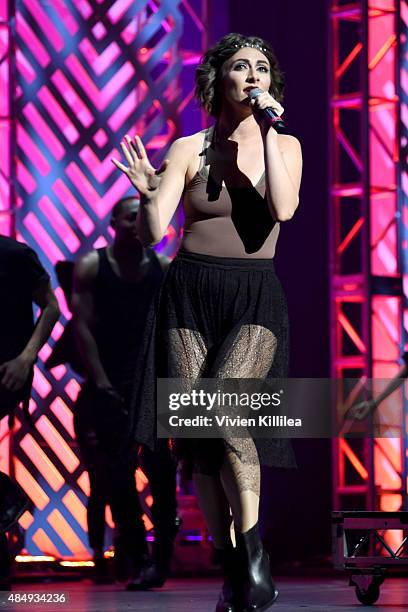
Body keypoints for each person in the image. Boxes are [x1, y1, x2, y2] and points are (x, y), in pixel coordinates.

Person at [113, 32, 302, 612]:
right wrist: (149, 196)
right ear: (216, 80)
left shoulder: (285, 143)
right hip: (190, 292)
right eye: (241, 67)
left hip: (252, 296)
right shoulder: (188, 147)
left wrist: (268, 129)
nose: (253, 76)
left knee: (225, 407)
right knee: (197, 439)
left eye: (262, 69)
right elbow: (153, 231)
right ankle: (231, 569)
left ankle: (252, 551)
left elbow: (285, 209)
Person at [71, 197, 179, 586]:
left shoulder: (161, 268)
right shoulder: (91, 267)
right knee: (116, 476)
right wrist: (100, 380)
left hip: (150, 384)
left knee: (162, 472)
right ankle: (135, 553)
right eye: (131, 216)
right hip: (109, 385)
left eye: (143, 217)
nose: (137, 223)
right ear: (114, 221)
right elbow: (82, 328)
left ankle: (161, 556)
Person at [0, 235, 60, 588]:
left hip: (9, 368)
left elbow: (50, 306)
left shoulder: (15, 254)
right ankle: (8, 499)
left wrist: (26, 358)